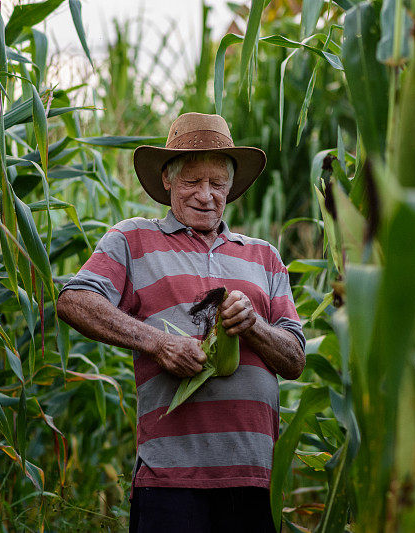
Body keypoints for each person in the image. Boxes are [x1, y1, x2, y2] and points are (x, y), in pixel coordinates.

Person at [56, 112, 306, 532]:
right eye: (192, 181)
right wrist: (159, 343)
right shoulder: (132, 239)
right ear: (167, 180)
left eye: (217, 183)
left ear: (231, 188)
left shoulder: (264, 256)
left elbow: (295, 359)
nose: (206, 195)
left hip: (254, 477)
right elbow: (75, 300)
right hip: (170, 478)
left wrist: (254, 326)